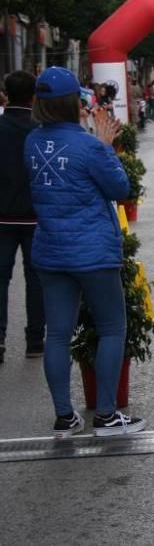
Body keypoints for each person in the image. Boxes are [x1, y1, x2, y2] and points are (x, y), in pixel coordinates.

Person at [24, 67, 144, 437]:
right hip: (92, 252)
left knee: (57, 334)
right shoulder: (89, 145)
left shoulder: (31, 142)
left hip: (50, 249)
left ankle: (65, 416)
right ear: (75, 101)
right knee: (112, 328)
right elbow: (119, 186)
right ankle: (106, 415)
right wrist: (106, 147)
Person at [0, 71, 45, 363]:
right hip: (35, 217)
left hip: (1, 217)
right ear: (33, 96)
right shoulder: (41, 130)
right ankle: (35, 340)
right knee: (36, 279)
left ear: (6, 93)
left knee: (0, 279)